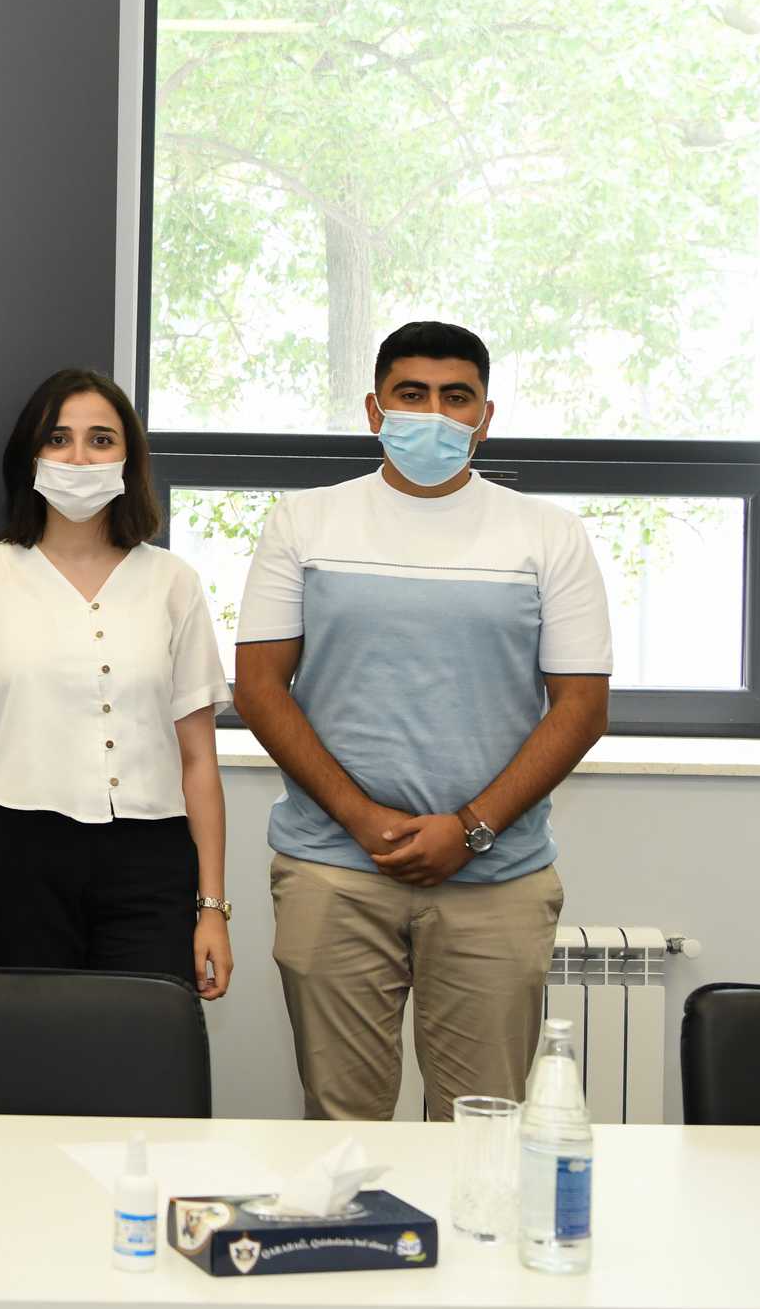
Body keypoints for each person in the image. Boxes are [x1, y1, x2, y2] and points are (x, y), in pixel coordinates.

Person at [235, 320, 611, 1122]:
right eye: (411, 394)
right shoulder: (303, 523)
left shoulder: (548, 534)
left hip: (496, 878)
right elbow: (259, 689)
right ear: (374, 410)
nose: (433, 414)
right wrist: (361, 818)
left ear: (485, 416)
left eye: (455, 397)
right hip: (333, 870)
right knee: (341, 1123)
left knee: (483, 1123)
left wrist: (471, 829)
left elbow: (581, 707)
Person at [0, 370, 233, 995]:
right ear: (31, 455)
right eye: (58, 439)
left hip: (151, 861)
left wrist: (212, 908)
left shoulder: (173, 582)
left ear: (129, 458)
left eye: (101, 439)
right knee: (29, 1045)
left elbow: (199, 761)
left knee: (144, 1043)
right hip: (15, 856)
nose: (79, 457)